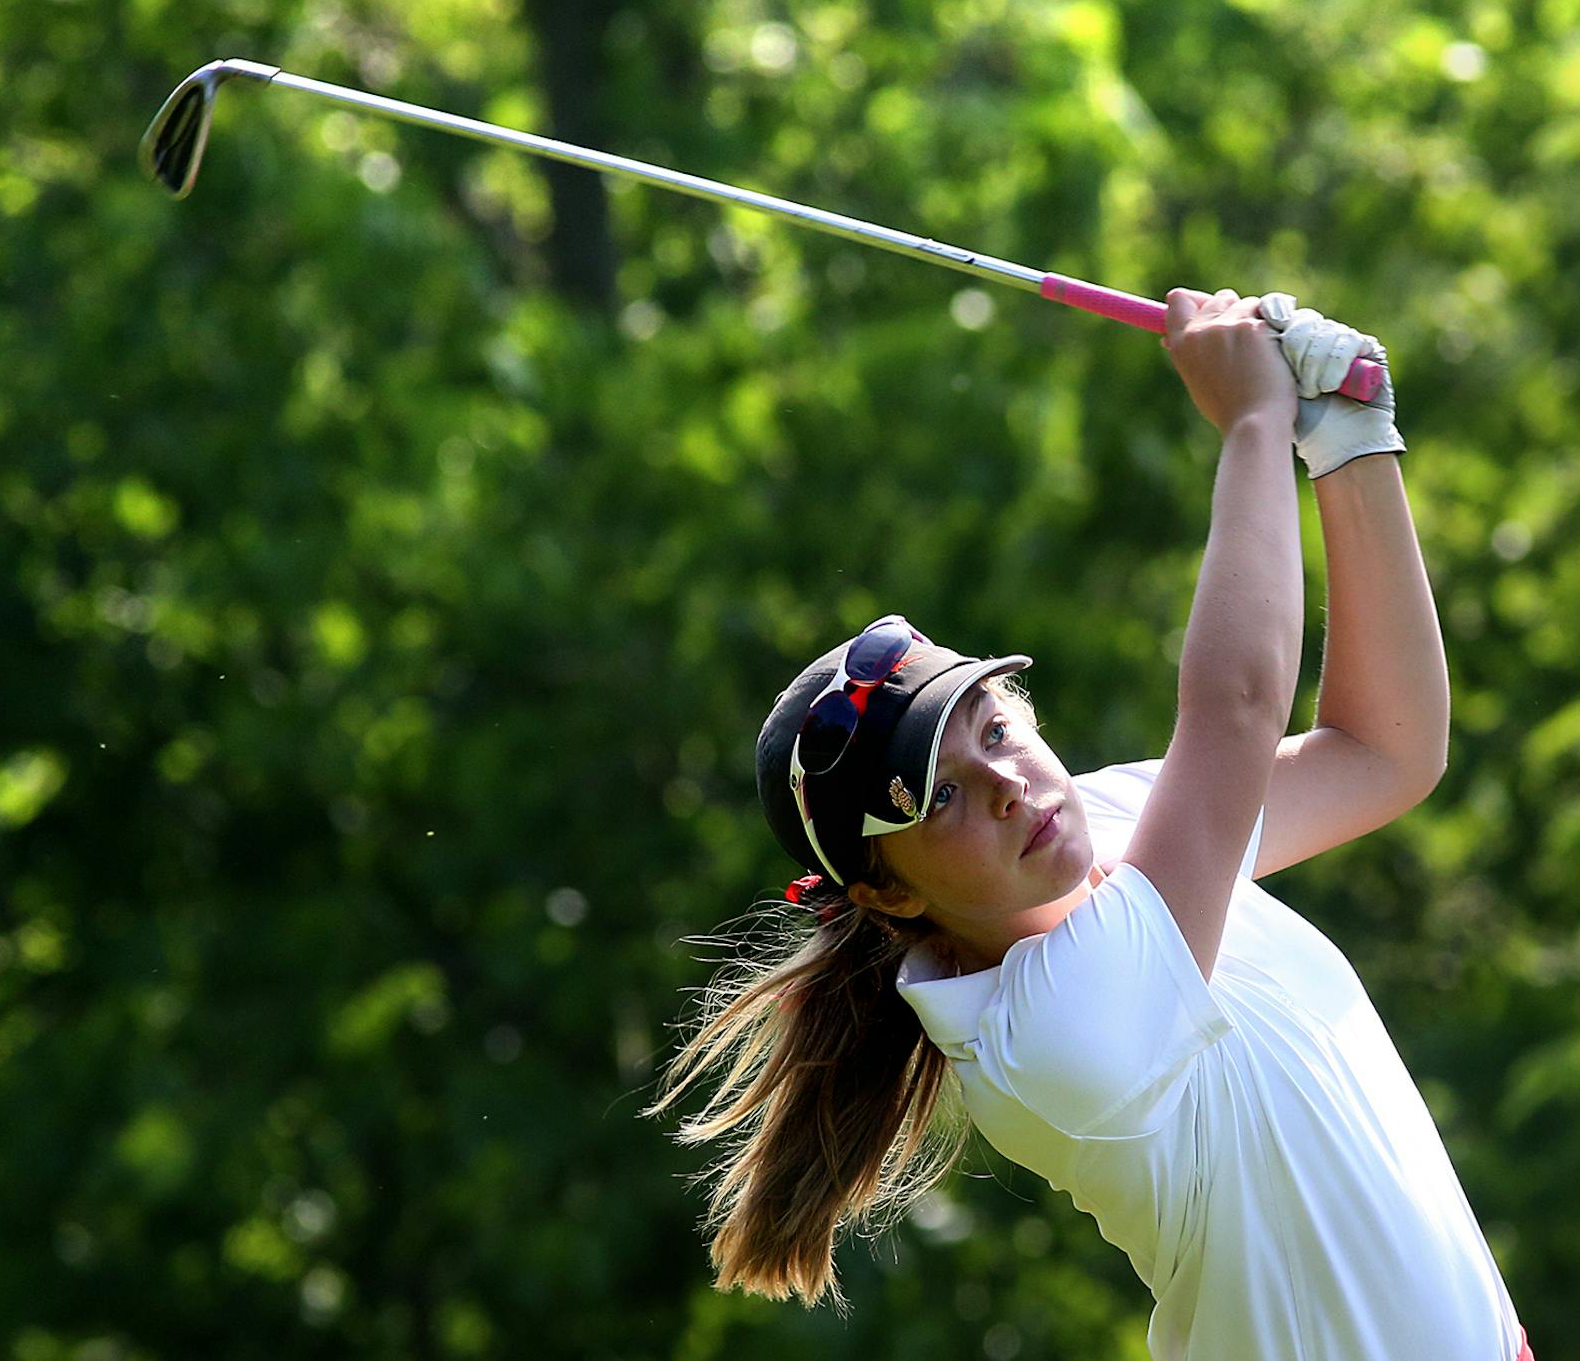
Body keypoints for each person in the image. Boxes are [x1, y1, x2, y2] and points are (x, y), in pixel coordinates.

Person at [650, 288, 1531, 1361]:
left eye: (995, 726)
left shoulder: (1108, 827)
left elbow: (1382, 752)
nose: (1010, 782)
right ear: (886, 892)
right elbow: (1239, 708)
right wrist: (1256, 424)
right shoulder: (1053, 1034)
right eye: (940, 797)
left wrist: (1349, 438)